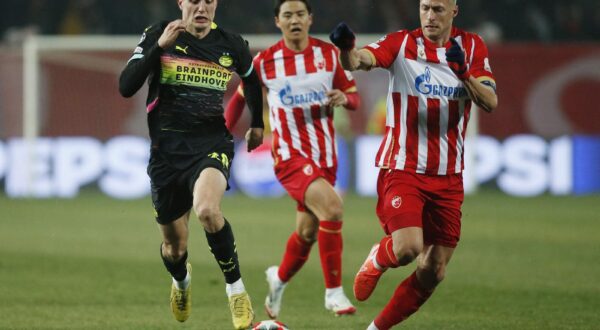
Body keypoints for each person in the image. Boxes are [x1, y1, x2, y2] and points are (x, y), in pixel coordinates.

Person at [329, 0, 498, 328]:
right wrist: (347, 48)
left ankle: (376, 328)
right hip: (403, 167)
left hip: (449, 176)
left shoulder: (472, 46)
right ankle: (380, 256)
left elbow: (490, 100)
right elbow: (359, 61)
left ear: (454, 11)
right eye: (424, 8)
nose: (430, 16)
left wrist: (464, 74)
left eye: (437, 9)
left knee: (433, 269)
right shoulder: (401, 43)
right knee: (408, 248)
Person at [118, 0, 264, 329]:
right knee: (174, 247)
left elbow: (251, 80)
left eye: (208, 0)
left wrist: (258, 123)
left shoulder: (232, 44)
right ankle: (181, 282)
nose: (201, 7)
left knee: (208, 211)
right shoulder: (159, 34)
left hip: (210, 144)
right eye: (194, 0)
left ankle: (236, 289)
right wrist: (158, 48)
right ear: (181, 3)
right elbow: (126, 86)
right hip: (166, 153)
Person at [225, 0, 360, 319]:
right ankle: (334, 293)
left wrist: (345, 98)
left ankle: (279, 280)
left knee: (308, 232)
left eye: (300, 14)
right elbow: (239, 100)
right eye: (288, 15)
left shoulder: (328, 55)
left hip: (325, 157)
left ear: (310, 19)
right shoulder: (265, 61)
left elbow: (352, 94)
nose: (295, 20)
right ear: (277, 21)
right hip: (289, 156)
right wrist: (219, 137)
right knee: (334, 208)